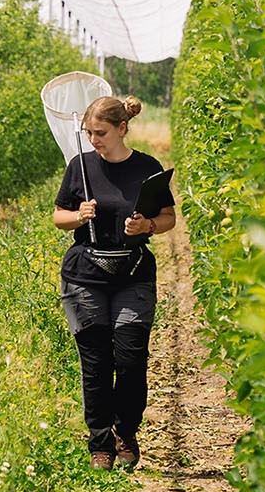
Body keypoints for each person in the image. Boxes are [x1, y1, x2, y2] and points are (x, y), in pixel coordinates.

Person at [51, 94, 176, 471]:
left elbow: (168, 217)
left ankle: (127, 432)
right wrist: (78, 215)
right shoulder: (80, 167)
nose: (94, 140)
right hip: (84, 274)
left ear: (123, 128)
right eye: (89, 133)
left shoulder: (147, 168)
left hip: (133, 272)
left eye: (101, 132)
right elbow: (58, 216)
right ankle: (100, 444)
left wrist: (147, 226)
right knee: (96, 361)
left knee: (131, 355)